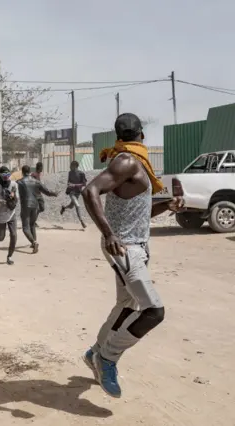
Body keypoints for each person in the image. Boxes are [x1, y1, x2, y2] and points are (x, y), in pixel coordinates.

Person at [81, 113, 184, 398]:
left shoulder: (133, 163)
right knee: (153, 310)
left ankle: (95, 353)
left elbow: (141, 211)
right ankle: (108, 357)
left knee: (125, 305)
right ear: (142, 134)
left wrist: (168, 206)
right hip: (124, 246)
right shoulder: (126, 160)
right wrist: (109, 233)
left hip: (133, 244)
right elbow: (90, 191)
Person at [17, 165, 58, 253]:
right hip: (35, 205)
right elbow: (47, 192)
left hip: (25, 206)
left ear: (22, 172)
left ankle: (34, 242)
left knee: (25, 227)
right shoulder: (36, 181)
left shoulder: (19, 182)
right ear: (29, 171)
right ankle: (33, 243)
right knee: (32, 225)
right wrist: (54, 193)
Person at [61, 161, 87, 229]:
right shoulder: (70, 173)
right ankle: (82, 221)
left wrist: (74, 185)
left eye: (71, 165)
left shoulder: (81, 173)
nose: (69, 167)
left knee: (71, 206)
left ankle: (64, 208)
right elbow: (68, 182)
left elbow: (84, 184)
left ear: (75, 166)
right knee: (77, 206)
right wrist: (69, 185)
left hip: (78, 192)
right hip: (71, 192)